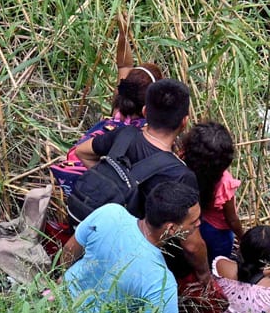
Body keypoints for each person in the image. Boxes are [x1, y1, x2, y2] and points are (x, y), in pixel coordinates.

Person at [60, 178, 202, 313]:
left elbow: (69, 251)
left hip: (60, 301)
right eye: (194, 222)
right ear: (171, 228)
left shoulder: (110, 212)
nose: (199, 224)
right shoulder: (160, 280)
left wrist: (60, 279)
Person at [79, 78, 195, 215]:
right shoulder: (181, 175)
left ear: (145, 111)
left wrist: (108, 183)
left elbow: (81, 151)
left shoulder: (123, 135)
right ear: (185, 122)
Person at [52, 63, 158, 196]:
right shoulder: (144, 133)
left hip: (71, 175)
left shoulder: (115, 117)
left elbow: (123, 67)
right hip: (97, 190)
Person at [181, 120, 243, 266]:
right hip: (217, 232)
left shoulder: (185, 169)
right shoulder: (224, 182)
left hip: (195, 223)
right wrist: (242, 236)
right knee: (217, 263)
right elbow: (232, 219)